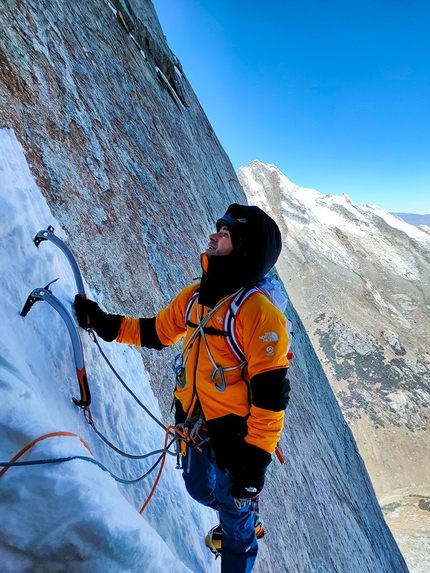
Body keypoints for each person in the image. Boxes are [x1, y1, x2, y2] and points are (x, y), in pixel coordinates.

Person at [74, 203, 291, 573]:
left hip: (236, 443)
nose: (213, 236)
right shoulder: (195, 297)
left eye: (223, 234)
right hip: (195, 426)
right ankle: (239, 512)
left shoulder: (260, 316)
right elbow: (156, 332)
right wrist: (103, 322)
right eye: (217, 230)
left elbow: (271, 401)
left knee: (234, 520)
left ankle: (241, 527)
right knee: (198, 490)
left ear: (242, 248)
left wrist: (253, 470)